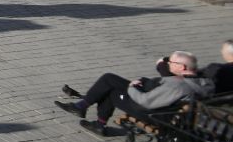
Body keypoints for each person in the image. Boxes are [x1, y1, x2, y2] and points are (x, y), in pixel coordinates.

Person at [57, 51, 211, 132]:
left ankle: (96, 120)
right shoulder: (205, 82)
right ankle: (82, 108)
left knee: (111, 90)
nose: (168, 64)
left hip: (153, 114)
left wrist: (133, 88)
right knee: (109, 78)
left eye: (171, 62)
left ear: (182, 67)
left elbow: (145, 102)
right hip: (172, 111)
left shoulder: (177, 86)